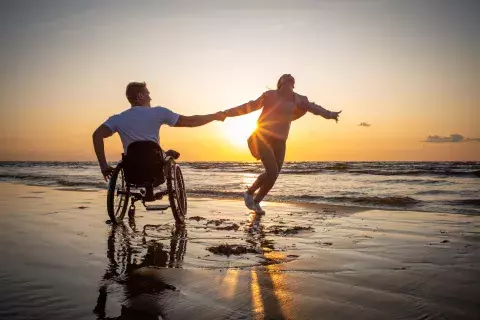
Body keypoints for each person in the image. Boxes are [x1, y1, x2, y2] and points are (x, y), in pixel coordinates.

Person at [222, 74, 342, 214]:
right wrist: (226, 113)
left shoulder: (299, 99)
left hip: (280, 141)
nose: (289, 78)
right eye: (286, 78)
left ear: (293, 84)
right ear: (281, 83)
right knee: (272, 171)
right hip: (263, 137)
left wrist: (330, 114)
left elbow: (314, 108)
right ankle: (249, 193)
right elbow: (250, 106)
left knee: (273, 174)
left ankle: (256, 202)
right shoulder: (270, 95)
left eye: (291, 79)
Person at [93, 82, 226, 180]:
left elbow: (96, 135)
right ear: (140, 96)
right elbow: (191, 122)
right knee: (158, 153)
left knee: (145, 152)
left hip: (132, 169)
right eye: (147, 93)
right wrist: (214, 116)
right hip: (154, 166)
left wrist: (104, 166)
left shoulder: (118, 119)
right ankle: (167, 153)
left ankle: (166, 153)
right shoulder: (158, 112)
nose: (150, 97)